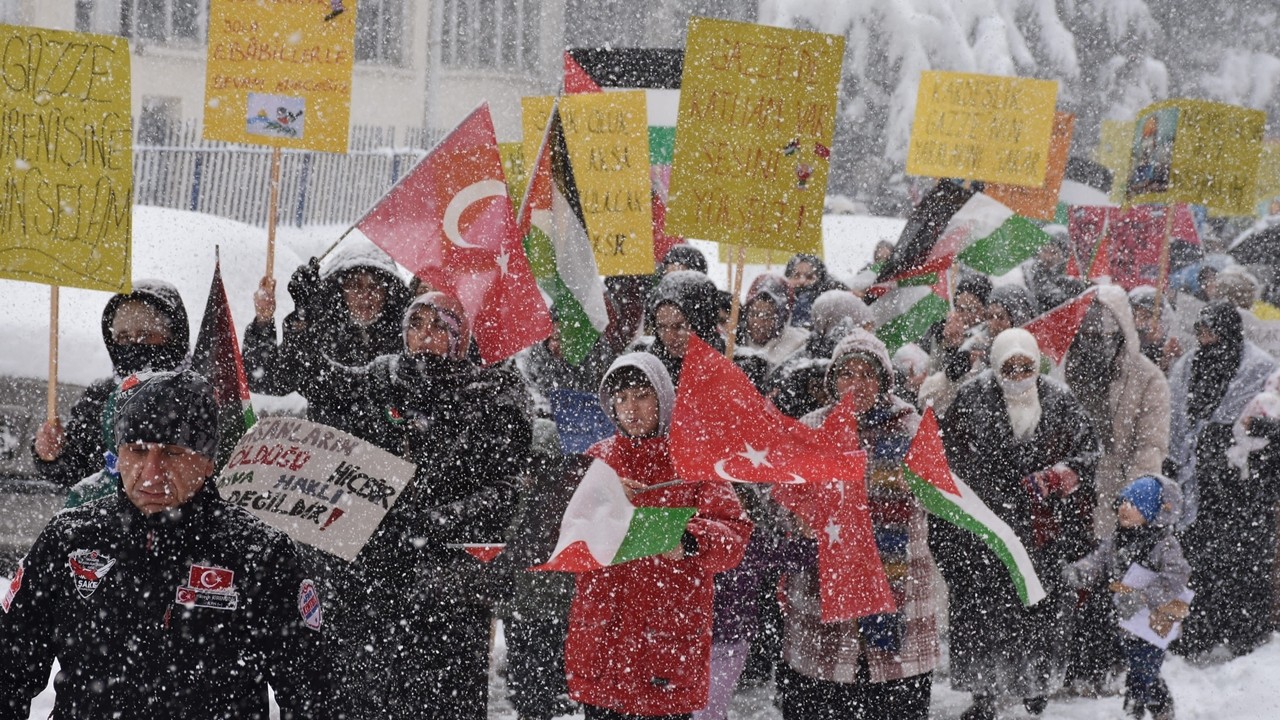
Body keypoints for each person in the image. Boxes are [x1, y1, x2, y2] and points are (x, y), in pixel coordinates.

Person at [1, 370, 336, 719]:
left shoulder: (259, 554)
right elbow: (8, 671)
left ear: (208, 462)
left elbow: (313, 695)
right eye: (137, 451)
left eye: (173, 453)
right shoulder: (69, 538)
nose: (151, 473)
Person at [302, 291, 530, 719]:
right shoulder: (384, 376)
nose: (425, 336)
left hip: (451, 587)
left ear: (461, 336)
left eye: (439, 326)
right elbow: (316, 380)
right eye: (416, 324)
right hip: (379, 579)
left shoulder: (490, 393)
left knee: (445, 702)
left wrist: (435, 522)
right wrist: (304, 316)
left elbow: (506, 488)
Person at [566, 353, 752, 719]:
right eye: (621, 398)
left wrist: (689, 540)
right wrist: (601, 494)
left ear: (663, 398)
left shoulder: (694, 460)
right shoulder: (596, 460)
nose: (630, 408)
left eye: (641, 395)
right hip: (604, 639)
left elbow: (734, 536)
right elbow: (563, 533)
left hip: (667, 642)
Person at [934, 328, 1100, 719]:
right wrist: (986, 492)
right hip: (986, 526)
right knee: (983, 611)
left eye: (1027, 367)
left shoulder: (1059, 398)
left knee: (1038, 607)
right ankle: (984, 691)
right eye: (1010, 368)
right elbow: (951, 455)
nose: (1020, 375)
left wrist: (1057, 477)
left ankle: (1036, 683)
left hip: (1042, 528)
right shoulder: (972, 397)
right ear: (995, 366)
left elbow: (1088, 451)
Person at [778, 329, 940, 720]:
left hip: (897, 592)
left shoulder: (911, 426)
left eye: (867, 374)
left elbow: (940, 496)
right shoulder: (812, 427)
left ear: (884, 380)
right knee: (824, 701)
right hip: (826, 595)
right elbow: (779, 494)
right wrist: (798, 516)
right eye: (846, 374)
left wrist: (915, 489)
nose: (857, 384)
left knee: (894, 701)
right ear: (832, 380)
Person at [1168, 301, 1277, 658]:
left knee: (1241, 562)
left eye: (1211, 330)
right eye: (1200, 331)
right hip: (1197, 482)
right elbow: (1177, 417)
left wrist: (1244, 435)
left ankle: (1243, 635)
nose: (1204, 338)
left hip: (1242, 484)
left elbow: (1269, 420)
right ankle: (1196, 633)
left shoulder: (1260, 369)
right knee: (1198, 561)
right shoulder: (1188, 366)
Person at [243, 239, 412, 444]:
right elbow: (267, 379)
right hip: (324, 455)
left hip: (387, 460)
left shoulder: (407, 341)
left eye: (375, 286)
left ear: (389, 291)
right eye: (355, 285)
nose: (365, 295)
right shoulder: (324, 336)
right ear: (340, 290)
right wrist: (269, 321)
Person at [32, 280, 190, 487]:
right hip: (108, 508)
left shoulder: (197, 396)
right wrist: (52, 453)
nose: (134, 344)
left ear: (174, 337)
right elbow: (75, 469)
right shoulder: (100, 396)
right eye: (124, 337)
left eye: (146, 335)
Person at [1063, 475, 1191, 720]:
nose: (1124, 508)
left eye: (1134, 504)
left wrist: (1144, 596)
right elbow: (1097, 561)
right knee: (1140, 667)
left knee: (1142, 669)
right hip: (1125, 620)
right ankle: (1161, 705)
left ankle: (1135, 709)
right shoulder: (1117, 539)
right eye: (1123, 501)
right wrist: (1078, 572)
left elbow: (1176, 577)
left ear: (1151, 512)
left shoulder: (1163, 544)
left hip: (1153, 623)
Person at [634, 270, 725, 384]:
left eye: (679, 327)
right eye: (661, 327)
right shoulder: (644, 366)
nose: (669, 337)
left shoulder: (731, 364)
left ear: (702, 325)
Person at [737, 273, 809, 371]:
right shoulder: (735, 341)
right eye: (754, 314)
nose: (759, 322)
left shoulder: (797, 344)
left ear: (782, 319)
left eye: (767, 316)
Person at [1128, 287, 1183, 374]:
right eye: (1134, 315)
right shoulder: (1122, 338)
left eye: (1145, 316)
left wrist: (1161, 351)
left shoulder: (1169, 342)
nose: (1138, 322)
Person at [785, 254, 847, 328]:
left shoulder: (828, 301)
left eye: (809, 277)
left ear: (821, 280)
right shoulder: (780, 301)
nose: (802, 281)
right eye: (796, 276)